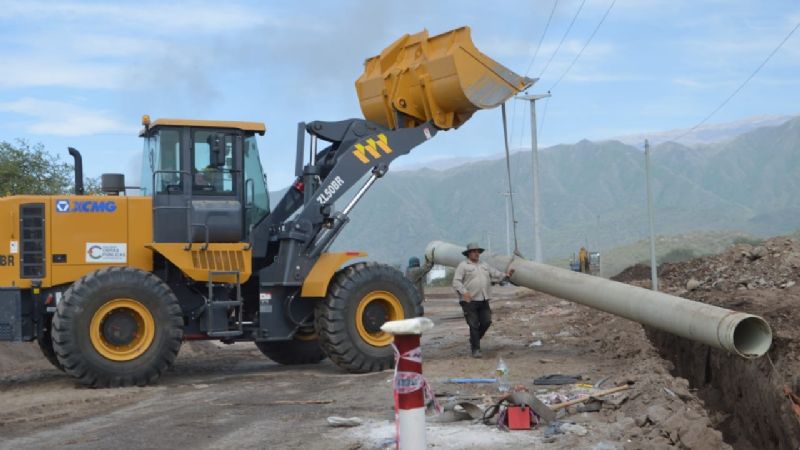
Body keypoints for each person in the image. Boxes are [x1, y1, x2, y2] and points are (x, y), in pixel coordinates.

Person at [452, 243, 514, 358]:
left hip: (483, 298)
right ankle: (476, 349)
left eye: (478, 251)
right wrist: (464, 292)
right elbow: (456, 282)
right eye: (474, 251)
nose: (476, 253)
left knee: (487, 321)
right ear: (469, 253)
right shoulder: (463, 266)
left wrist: (506, 275)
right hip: (469, 300)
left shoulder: (484, 265)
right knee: (473, 324)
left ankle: (474, 340)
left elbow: (495, 273)